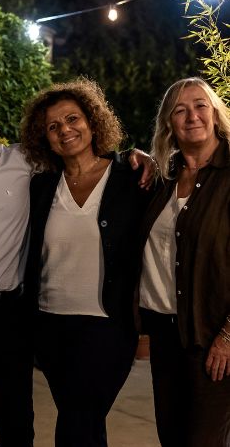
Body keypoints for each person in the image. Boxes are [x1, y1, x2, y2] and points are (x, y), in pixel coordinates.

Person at [0, 83, 154, 447]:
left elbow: (86, 155)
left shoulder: (23, 162)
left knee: (19, 425)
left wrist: (138, 155)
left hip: (12, 313)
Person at [20, 78, 149, 447]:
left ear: (93, 122)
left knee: (77, 421)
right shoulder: (41, 186)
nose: (65, 130)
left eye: (72, 119)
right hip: (50, 326)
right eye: (53, 126)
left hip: (108, 326)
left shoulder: (131, 178)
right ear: (45, 138)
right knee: (85, 422)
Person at [138, 77, 230, 447]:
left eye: (200, 106)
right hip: (165, 335)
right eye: (180, 110)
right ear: (169, 124)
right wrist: (135, 156)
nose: (192, 116)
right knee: (171, 436)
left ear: (216, 115)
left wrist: (228, 337)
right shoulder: (163, 178)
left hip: (214, 336)